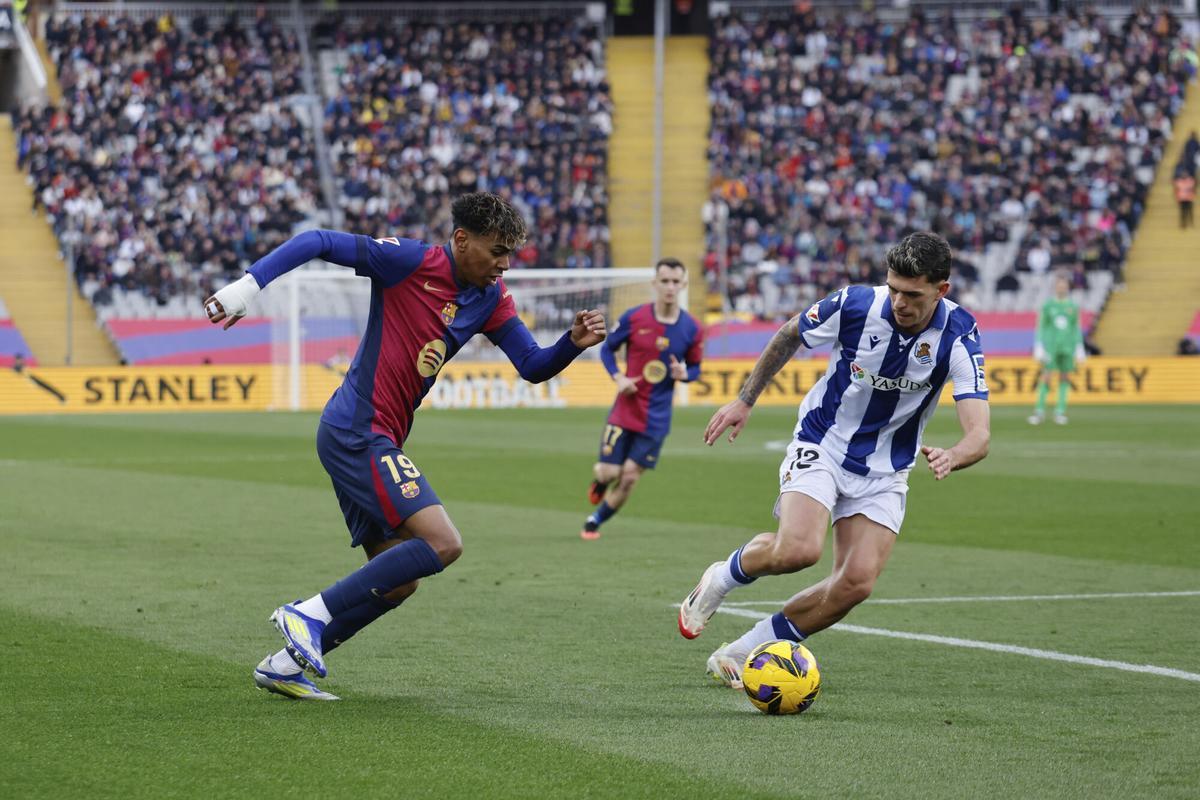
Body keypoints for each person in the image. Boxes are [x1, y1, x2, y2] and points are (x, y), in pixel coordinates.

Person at [204, 192, 607, 700]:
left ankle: (284, 665)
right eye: (498, 251)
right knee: (443, 543)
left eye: (511, 254)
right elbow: (317, 240)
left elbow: (531, 366)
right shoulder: (408, 262)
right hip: (358, 429)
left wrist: (571, 344)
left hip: (372, 435)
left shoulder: (491, 299)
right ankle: (307, 613)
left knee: (398, 580)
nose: (505, 265)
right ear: (462, 240)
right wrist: (247, 288)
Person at [675, 232, 990, 688]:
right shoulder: (856, 304)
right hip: (823, 443)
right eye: (894, 288)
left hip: (886, 471)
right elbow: (789, 335)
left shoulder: (960, 334)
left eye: (913, 294)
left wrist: (954, 455)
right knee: (799, 550)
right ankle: (721, 577)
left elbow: (979, 433)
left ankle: (742, 652)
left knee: (856, 583)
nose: (900, 302)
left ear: (942, 290)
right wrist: (745, 400)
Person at [580, 258, 704, 540]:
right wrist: (618, 378)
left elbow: (696, 369)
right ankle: (600, 482)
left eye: (676, 282)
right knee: (609, 471)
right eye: (665, 281)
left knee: (630, 477)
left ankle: (594, 521)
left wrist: (684, 373)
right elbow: (607, 350)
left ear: (683, 285)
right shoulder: (634, 318)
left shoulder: (692, 329)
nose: (670, 287)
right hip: (625, 411)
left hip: (657, 418)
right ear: (655, 284)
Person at [1029, 274, 1085, 425]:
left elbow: (1076, 327)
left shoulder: (1073, 306)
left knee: (1065, 377)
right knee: (1046, 376)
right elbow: (1041, 325)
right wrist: (1039, 345)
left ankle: (1060, 411)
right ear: (1055, 287)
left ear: (1068, 287)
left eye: (1064, 285)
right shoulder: (1048, 305)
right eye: (1059, 284)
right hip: (1051, 346)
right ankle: (1039, 411)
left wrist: (1079, 346)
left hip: (1067, 346)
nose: (1061, 287)